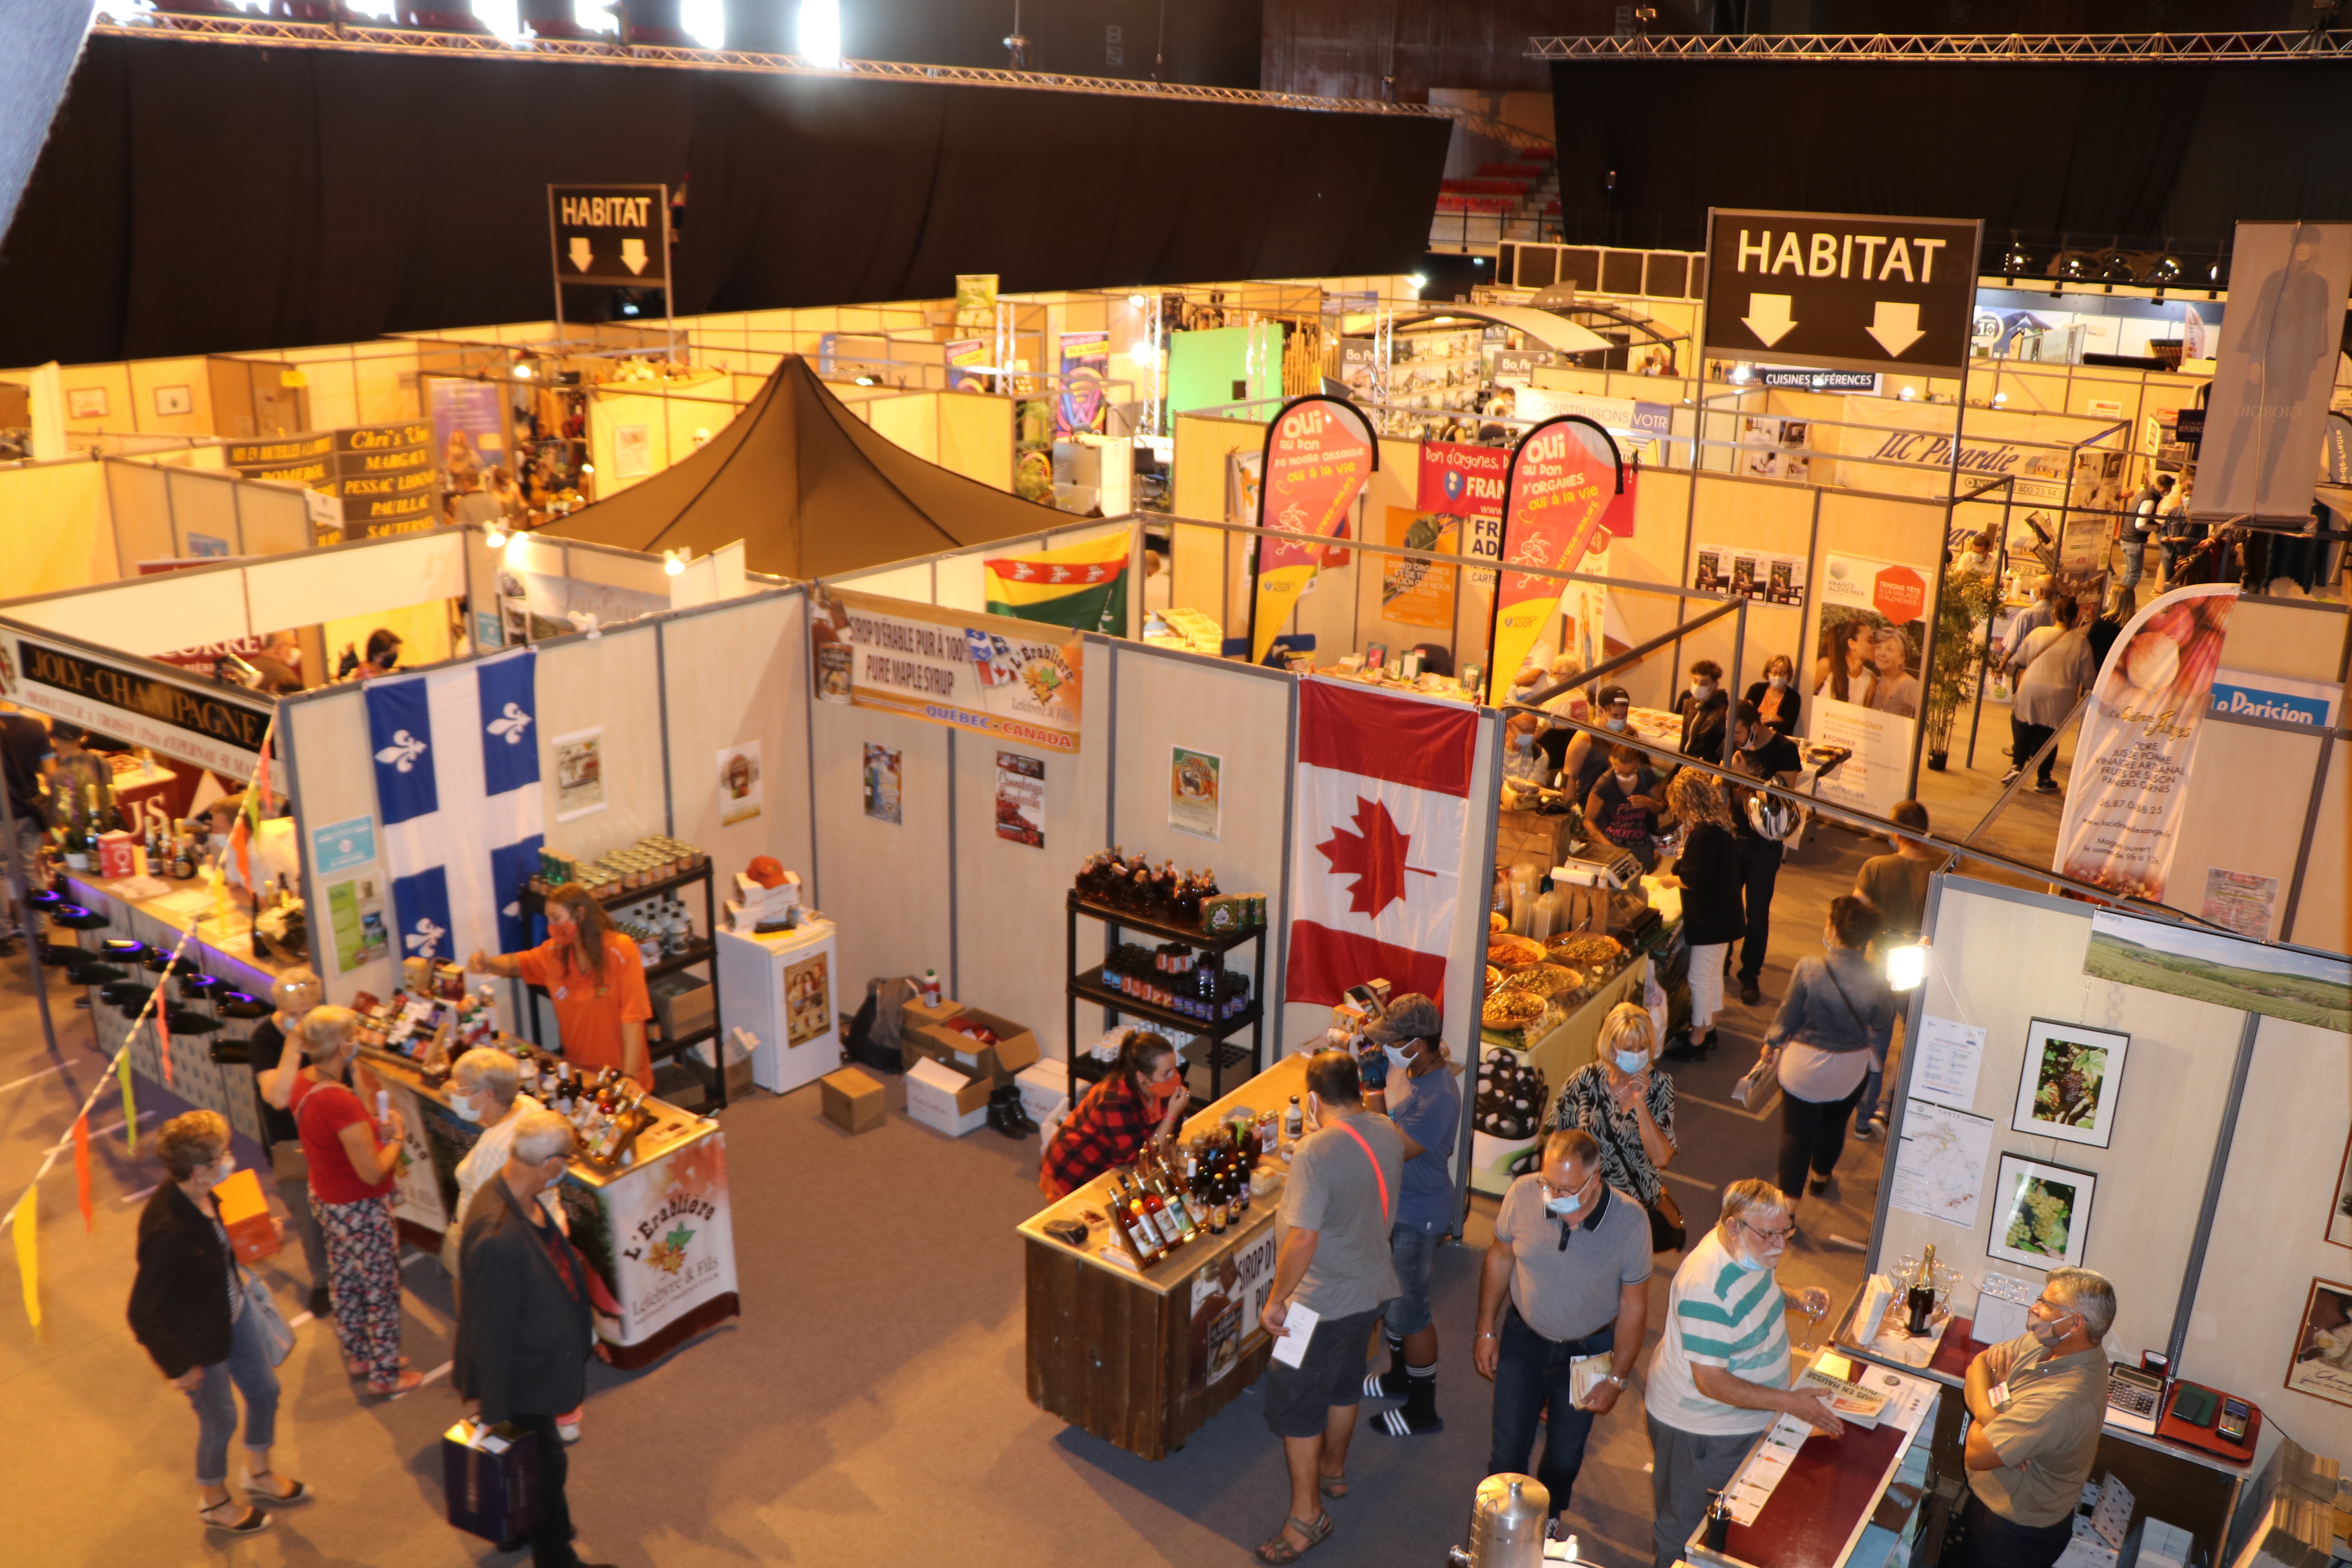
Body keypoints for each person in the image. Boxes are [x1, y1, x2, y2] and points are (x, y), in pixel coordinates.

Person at [128, 1110, 310, 1537]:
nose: (230, 1158)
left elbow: (221, 1248)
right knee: (220, 1421)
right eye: (222, 1154)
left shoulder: (210, 1193)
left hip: (233, 1311)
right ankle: (215, 1501)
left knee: (266, 1391)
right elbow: (142, 1312)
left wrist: (263, 1237)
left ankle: (258, 1473)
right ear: (199, 1170)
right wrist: (178, 1365)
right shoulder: (168, 1231)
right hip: (197, 1339)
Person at [1254, 1051, 1405, 1565]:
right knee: (1344, 1384)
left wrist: (1277, 1302)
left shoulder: (1316, 1152)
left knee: (1296, 1402)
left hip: (1316, 1304)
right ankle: (1334, 1471)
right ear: (1360, 1089)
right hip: (1372, 1288)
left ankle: (1307, 1517)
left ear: (1313, 1100)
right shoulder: (1385, 1128)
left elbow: (1302, 1239)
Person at [1647, 1180, 1840, 1568]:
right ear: (1734, 1226)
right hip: (1701, 1431)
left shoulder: (1747, 1250)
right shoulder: (1707, 1289)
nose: (1781, 1245)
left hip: (1738, 1420)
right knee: (1685, 1532)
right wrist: (1791, 1403)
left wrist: (1794, 1297)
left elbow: (1756, 1290)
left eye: (1785, 1231)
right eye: (1770, 1235)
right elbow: (1711, 1381)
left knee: (1729, 1523)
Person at [1474, 1128, 1652, 1539]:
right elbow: (1500, 1257)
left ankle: (1550, 1511)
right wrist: (1485, 1330)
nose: (1554, 1194)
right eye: (1548, 1183)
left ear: (1596, 1179)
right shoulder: (1523, 1194)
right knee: (1507, 1448)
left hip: (1589, 1350)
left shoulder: (1630, 1221)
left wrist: (1617, 1377)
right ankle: (1501, 1527)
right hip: (1524, 1339)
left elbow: (1634, 1306)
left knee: (1566, 1453)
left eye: (1566, 1187)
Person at [454, 1111, 614, 1568]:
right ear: (549, 1165)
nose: (567, 1169)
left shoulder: (516, 1193)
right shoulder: (498, 1236)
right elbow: (491, 1330)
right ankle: (555, 1556)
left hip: (533, 1363)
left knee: (531, 1464)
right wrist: (497, 1413)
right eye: (565, 1161)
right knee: (545, 1467)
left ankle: (522, 1530)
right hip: (523, 1375)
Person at [286, 1005, 421, 1396]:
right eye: (354, 1035)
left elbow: (336, 1139)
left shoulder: (304, 1082)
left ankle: (359, 1353)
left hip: (328, 1199)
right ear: (342, 1045)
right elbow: (372, 1171)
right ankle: (385, 1373)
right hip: (359, 1206)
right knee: (381, 1287)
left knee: (345, 1280)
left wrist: (367, 1128)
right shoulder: (340, 1101)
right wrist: (396, 1139)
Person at [1956, 1270, 2120, 1568]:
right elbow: (1980, 1364)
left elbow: (1978, 1453)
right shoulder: (2053, 1344)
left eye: (2046, 1304)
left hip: (2014, 1535)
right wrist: (1994, 1417)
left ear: (2075, 1323)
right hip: (1993, 1504)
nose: (2035, 1309)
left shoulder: (2063, 1401)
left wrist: (1995, 1399)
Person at [1356, 994, 1461, 1438]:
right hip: (1401, 1206)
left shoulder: (1437, 1097)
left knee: (1410, 1311)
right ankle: (1400, 1378)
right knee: (1396, 1303)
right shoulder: (1420, 1071)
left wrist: (1375, 1091)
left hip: (1421, 1216)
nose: (1387, 1049)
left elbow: (1392, 1147)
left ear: (1418, 1044)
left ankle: (1422, 1408)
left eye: (1393, 1042)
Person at [1759, 897, 1896, 1227]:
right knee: (1835, 1125)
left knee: (1796, 1134)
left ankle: (1787, 1215)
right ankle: (1821, 1177)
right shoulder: (1876, 977)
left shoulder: (1809, 967)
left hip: (1803, 1068)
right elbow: (1881, 1019)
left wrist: (1771, 1043)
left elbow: (1788, 1015)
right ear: (1866, 938)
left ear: (1833, 931)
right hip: (1850, 1069)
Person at [471, 883, 654, 1090]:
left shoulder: (621, 949)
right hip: (580, 1074)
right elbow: (517, 964)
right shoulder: (555, 953)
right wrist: (489, 965)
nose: (551, 927)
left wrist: (628, 1077)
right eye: (548, 919)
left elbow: (633, 1017)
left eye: (556, 918)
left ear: (580, 914)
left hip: (622, 1076)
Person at [1850, 801, 1942, 1139]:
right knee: (1911, 1040)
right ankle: (1886, 1108)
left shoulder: (1874, 866)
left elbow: (1855, 913)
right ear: (1925, 834)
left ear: (1895, 831)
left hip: (1879, 964)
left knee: (1875, 1042)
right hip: (1915, 964)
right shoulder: (1940, 873)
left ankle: (1862, 1118)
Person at [1548, 1003, 1678, 1236]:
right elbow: (1557, 1141)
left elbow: (1661, 1158)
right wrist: (1555, 1190)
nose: (1637, 1054)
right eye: (1629, 1048)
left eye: (1643, 1047)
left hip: (1631, 1204)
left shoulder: (1660, 1085)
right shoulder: (1584, 1080)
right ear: (1611, 1046)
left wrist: (1641, 1104)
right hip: (1585, 1197)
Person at [249, 969, 333, 1317]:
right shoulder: (265, 1039)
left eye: (309, 1012)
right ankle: (323, 1281)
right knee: (308, 1219)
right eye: (294, 1015)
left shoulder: (328, 1026)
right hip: (292, 1146)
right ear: (279, 1009)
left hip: (331, 1138)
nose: (303, 1021)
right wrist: (294, 1044)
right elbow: (278, 1096)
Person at [1038, 1028, 1189, 1198]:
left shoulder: (1160, 1090)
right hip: (1072, 1171)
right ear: (1143, 1078)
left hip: (1112, 1162)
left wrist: (1172, 1117)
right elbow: (1143, 1162)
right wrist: (1171, 1115)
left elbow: (1169, 1139)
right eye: (1166, 1073)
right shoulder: (1114, 1101)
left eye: (1174, 1069)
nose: (1175, 1077)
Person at [439, 1047, 548, 1281]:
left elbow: (486, 1213)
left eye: (462, 1089)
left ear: (488, 1095)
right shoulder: (527, 1105)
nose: (456, 1094)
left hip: (499, 1253)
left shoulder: (496, 1151)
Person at [1656, 770, 1743, 1055]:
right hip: (1725, 916)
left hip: (1710, 920)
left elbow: (1693, 879)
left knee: (1698, 979)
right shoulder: (1719, 825)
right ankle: (1710, 1026)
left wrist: (1670, 881)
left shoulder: (1704, 834)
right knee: (1713, 974)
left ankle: (1697, 1040)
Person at [1726, 703, 1803, 1007]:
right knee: (1727, 904)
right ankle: (1721, 961)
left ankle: (1750, 974)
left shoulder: (1784, 751)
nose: (1733, 739)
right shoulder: (1731, 746)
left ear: (1754, 727)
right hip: (1733, 836)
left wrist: (1745, 778)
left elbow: (1783, 802)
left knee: (1756, 913)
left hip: (1763, 845)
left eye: (1738, 732)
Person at [2004, 594, 2094, 794]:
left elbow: (2020, 659)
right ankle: (2043, 778)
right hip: (2059, 696)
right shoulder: (2081, 643)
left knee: (2024, 725)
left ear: (2055, 613)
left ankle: (2017, 766)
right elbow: (2089, 679)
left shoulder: (2037, 634)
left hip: (2030, 688)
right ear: (2075, 617)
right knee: (2049, 734)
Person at [0, 708, 55, 949]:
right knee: (33, 870)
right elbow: (52, 774)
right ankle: (40, 932)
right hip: (29, 810)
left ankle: (3, 938)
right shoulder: (35, 727)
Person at [1584, 744, 1664, 872]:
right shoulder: (1604, 783)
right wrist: (1606, 845)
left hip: (1641, 846)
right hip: (1614, 845)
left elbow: (1661, 808)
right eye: (1621, 773)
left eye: (1631, 772)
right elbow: (1588, 820)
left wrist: (1649, 803)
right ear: (1612, 761)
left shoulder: (1646, 774)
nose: (1626, 777)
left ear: (1637, 763)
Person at [1558, 685, 1630, 808]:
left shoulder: (1629, 734)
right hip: (1588, 805)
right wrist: (1571, 812)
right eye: (1615, 716)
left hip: (1619, 807)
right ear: (1602, 712)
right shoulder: (1585, 738)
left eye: (1624, 715)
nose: (1621, 720)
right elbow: (1569, 777)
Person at [1676, 660, 1731, 761]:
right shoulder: (1690, 703)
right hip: (1686, 760)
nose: (1698, 686)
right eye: (1695, 681)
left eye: (1704, 683)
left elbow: (1723, 748)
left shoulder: (1723, 712)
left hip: (1707, 766)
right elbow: (1685, 738)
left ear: (1715, 685)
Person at [1813, 621, 1877, 707]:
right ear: (1852, 644)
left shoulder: (1871, 680)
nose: (1875, 645)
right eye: (1870, 641)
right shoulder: (1827, 665)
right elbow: (1804, 694)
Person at [1866, 627, 1921, 719]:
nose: (1882, 654)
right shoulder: (1873, 685)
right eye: (1879, 647)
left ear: (1902, 658)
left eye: (1890, 649)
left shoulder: (1915, 689)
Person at [1743, 654, 1801, 739]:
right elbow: (1744, 716)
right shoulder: (1756, 689)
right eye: (1774, 672)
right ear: (1768, 673)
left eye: (1782, 673)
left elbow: (1786, 728)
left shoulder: (1794, 698)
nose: (1778, 676)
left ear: (1788, 675)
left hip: (1776, 741)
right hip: (1750, 738)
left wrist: (1757, 719)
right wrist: (1773, 718)